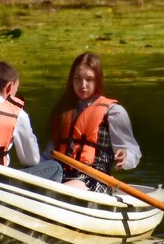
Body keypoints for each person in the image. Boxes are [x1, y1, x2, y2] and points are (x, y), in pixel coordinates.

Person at [49, 52, 141, 192]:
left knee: (57, 191)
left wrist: (125, 156)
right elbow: (47, 154)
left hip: (94, 179)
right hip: (59, 174)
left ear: (98, 80)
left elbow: (134, 152)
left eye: (89, 79)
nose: (83, 85)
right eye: (77, 78)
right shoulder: (63, 111)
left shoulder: (114, 112)